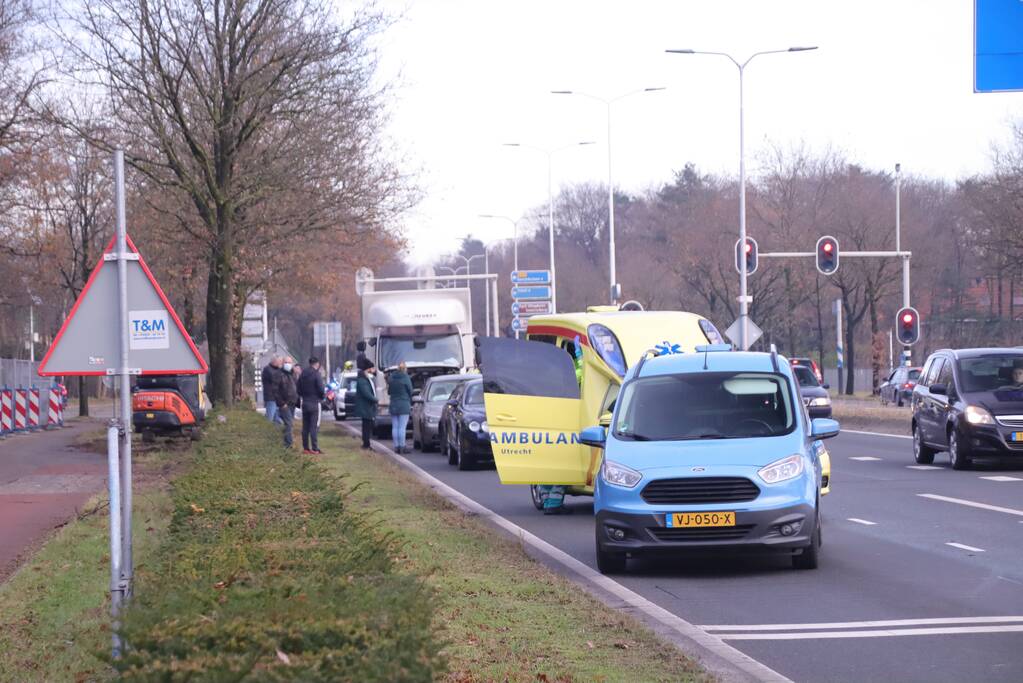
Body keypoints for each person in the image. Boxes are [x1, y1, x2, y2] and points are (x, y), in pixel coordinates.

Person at [297, 356, 326, 454]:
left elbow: (298, 388)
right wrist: (321, 397)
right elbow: (321, 389)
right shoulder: (316, 374)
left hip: (305, 402)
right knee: (313, 426)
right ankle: (314, 448)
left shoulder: (303, 374)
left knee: (305, 426)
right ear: (317, 364)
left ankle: (305, 448)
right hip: (314, 402)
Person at [387, 361, 414, 453]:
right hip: (403, 404)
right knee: (402, 427)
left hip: (394, 404)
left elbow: (389, 392)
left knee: (395, 426)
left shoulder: (391, 378)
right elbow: (410, 390)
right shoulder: (406, 378)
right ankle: (402, 446)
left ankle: (396, 446)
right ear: (405, 369)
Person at [275, 356, 299, 448]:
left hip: (292, 403)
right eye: (286, 362)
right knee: (289, 423)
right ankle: (288, 444)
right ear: (282, 363)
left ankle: (286, 441)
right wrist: (281, 403)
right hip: (284, 404)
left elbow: (295, 387)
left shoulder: (293, 374)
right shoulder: (279, 374)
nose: (287, 364)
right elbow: (275, 391)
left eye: (289, 362)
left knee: (289, 423)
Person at [354, 362, 379, 449]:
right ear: (368, 369)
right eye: (373, 368)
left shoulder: (365, 378)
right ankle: (366, 444)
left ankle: (367, 443)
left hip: (367, 406)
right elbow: (366, 393)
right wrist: (375, 400)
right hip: (365, 406)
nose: (374, 370)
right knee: (366, 426)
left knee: (367, 425)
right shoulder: (362, 380)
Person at [261, 355, 282, 423]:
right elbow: (275, 379)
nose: (281, 363)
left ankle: (276, 432)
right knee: (269, 418)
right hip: (271, 398)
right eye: (280, 361)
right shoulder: (267, 369)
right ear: (275, 361)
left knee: (277, 420)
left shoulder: (277, 370)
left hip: (277, 398)